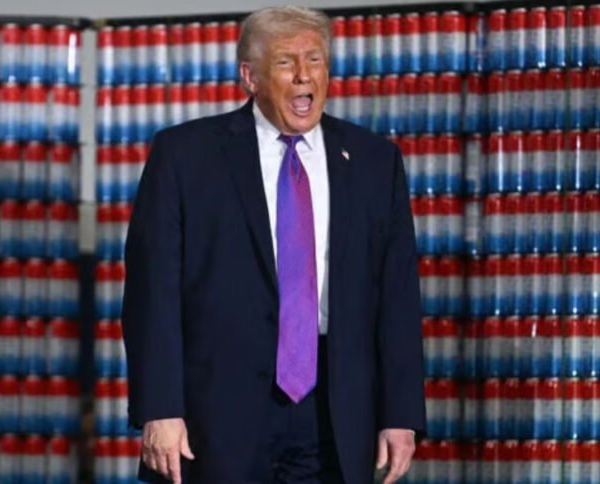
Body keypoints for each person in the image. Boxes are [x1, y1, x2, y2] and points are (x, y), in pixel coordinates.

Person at [122, 6, 425, 483]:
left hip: (334, 412)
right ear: (250, 77)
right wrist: (160, 408)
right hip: (216, 416)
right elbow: (151, 294)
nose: (305, 75)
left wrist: (400, 413)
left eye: (315, 60)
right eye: (286, 62)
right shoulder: (184, 156)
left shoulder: (374, 161)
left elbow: (398, 297)